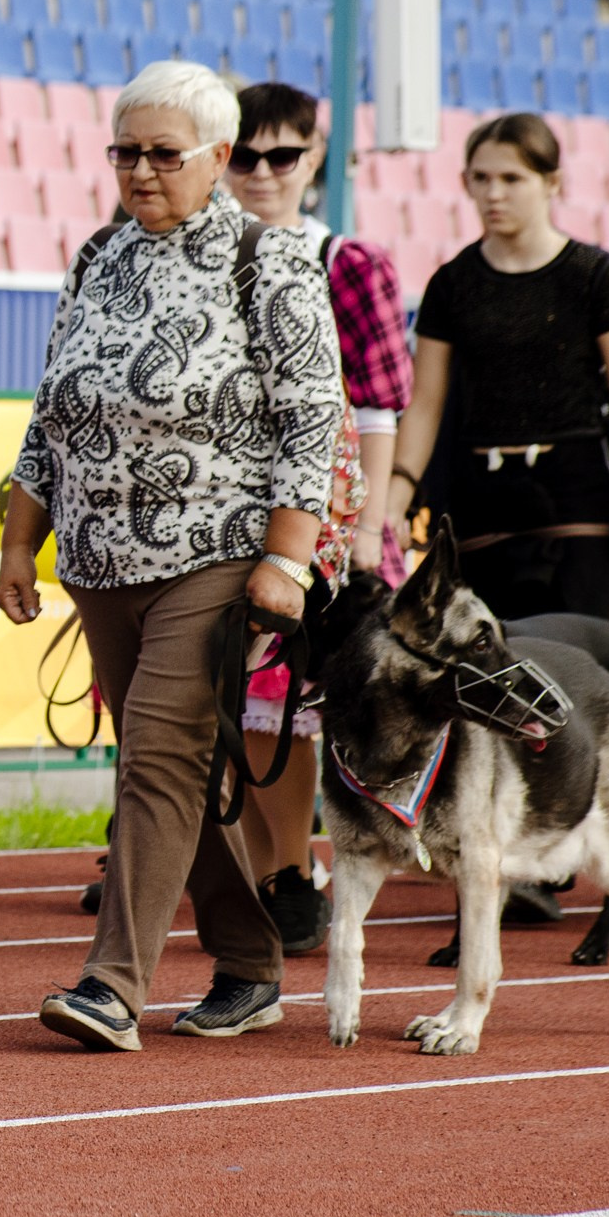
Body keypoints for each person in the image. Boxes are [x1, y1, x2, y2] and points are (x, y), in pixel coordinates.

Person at [0, 60, 345, 1052]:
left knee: (155, 753)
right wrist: (24, 539)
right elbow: (51, 409)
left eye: (164, 154)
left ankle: (112, 984)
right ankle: (250, 963)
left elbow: (312, 411)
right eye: (126, 152)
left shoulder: (267, 261)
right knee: (173, 765)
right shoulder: (96, 256)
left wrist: (289, 556)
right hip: (99, 562)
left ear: (220, 158)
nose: (141, 171)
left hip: (217, 552)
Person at [221, 82, 411, 955]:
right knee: (236, 704)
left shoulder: (347, 262)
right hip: (221, 514)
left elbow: (378, 408)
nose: (263, 173)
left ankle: (296, 873)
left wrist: (370, 524)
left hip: (326, 520)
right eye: (246, 155)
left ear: (313, 160)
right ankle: (274, 878)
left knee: (296, 702)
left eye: (283, 155)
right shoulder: (205, 257)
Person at [389, 114, 609, 623]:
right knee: (482, 680)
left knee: (582, 669)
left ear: (551, 182)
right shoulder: (450, 284)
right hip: (479, 500)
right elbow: (424, 404)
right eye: (481, 178)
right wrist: (394, 498)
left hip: (577, 498)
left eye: (512, 178)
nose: (494, 193)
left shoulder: (597, 277)